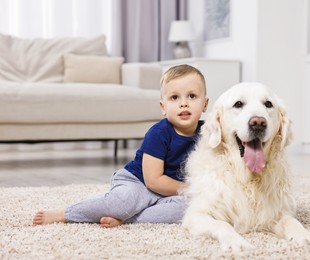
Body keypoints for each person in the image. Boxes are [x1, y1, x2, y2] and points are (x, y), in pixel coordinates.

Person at [32, 64, 209, 228]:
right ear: (163, 107)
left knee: (187, 209)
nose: (183, 103)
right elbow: (153, 180)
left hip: (169, 192)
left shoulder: (208, 133)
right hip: (139, 182)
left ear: (205, 104)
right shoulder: (159, 133)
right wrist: (188, 188)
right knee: (123, 202)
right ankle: (66, 213)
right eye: (174, 97)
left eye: (192, 96)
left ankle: (127, 218)